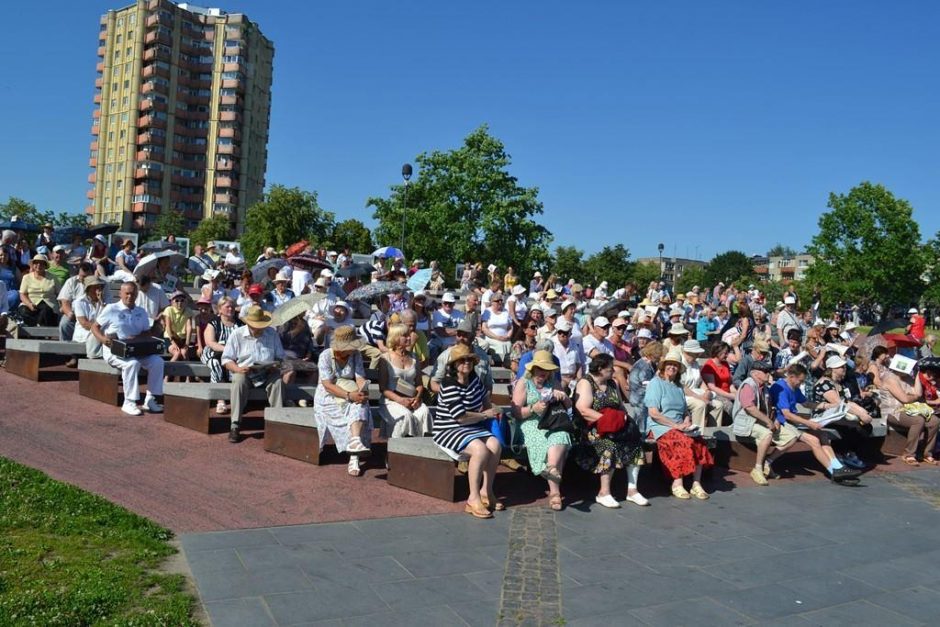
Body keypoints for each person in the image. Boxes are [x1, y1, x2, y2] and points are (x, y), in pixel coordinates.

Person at [433, 343, 504, 519]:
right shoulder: (448, 384)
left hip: (472, 426)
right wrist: (485, 415)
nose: (466, 363)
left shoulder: (475, 380)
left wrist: (495, 410)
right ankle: (473, 498)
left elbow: (486, 403)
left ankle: (487, 491)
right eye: (462, 360)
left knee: (495, 445)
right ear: (454, 364)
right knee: (479, 449)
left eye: (469, 360)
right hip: (448, 428)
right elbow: (460, 417)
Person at [574, 353, 647, 507]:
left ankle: (632, 490)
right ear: (600, 369)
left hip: (613, 425)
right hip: (592, 429)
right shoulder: (586, 383)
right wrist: (608, 421)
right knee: (609, 446)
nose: (613, 371)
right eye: (610, 368)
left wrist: (621, 421)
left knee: (635, 443)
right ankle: (603, 492)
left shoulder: (612, 383)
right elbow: (583, 410)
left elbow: (620, 406)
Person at [767, 363, 861, 482]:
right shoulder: (780, 388)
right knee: (814, 440)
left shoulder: (794, 387)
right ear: (791, 377)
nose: (801, 384)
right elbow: (786, 414)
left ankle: (838, 467)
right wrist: (809, 423)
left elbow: (806, 403)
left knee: (822, 434)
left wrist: (829, 406)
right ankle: (833, 471)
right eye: (800, 381)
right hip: (783, 423)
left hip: (793, 421)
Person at [645, 349, 713, 500]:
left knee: (699, 441)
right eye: (669, 364)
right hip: (659, 426)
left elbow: (685, 410)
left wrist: (687, 420)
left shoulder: (678, 386)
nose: (672, 367)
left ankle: (696, 483)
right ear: (663, 367)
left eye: (675, 365)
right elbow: (653, 413)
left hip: (679, 425)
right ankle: (677, 483)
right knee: (680, 442)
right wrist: (675, 426)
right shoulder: (656, 383)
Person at [91, 282, 164, 416]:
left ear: (137, 294)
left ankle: (150, 399)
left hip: (138, 350)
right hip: (114, 351)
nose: (130, 296)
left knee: (158, 362)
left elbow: (146, 333)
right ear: (120, 294)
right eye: (127, 293)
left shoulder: (141, 311)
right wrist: (103, 340)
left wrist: (145, 334)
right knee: (132, 363)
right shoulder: (111, 309)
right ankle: (129, 402)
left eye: (133, 293)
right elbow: (95, 327)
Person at [511, 350, 572, 510]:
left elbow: (569, 406)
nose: (542, 373)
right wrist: (533, 408)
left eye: (546, 369)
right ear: (533, 369)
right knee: (542, 440)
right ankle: (555, 492)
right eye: (539, 369)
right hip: (530, 422)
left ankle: (550, 468)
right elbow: (516, 413)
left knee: (562, 435)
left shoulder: (553, 381)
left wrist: (563, 397)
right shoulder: (524, 382)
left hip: (552, 421)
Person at [221, 305, 286, 443]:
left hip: (268, 372)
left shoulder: (272, 333)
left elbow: (281, 357)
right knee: (238, 381)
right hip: (245, 373)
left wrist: (275, 365)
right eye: (257, 325)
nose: (260, 328)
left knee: (278, 382)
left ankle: (278, 424)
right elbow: (226, 359)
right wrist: (238, 369)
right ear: (249, 324)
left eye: (261, 325)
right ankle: (235, 425)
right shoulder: (237, 334)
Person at [314, 326, 373, 476]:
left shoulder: (356, 355)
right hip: (327, 396)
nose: (354, 349)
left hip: (348, 390)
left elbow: (360, 377)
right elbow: (327, 385)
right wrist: (348, 395)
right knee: (352, 408)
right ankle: (355, 447)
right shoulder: (325, 356)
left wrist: (362, 390)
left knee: (361, 404)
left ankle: (354, 450)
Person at [732, 359, 796, 485]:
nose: (768, 374)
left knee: (791, 437)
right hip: (745, 423)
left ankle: (768, 462)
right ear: (755, 373)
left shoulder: (765, 387)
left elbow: (772, 407)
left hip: (760, 422)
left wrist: (776, 419)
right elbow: (749, 407)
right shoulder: (748, 385)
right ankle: (757, 469)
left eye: (769, 371)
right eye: (765, 371)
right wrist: (768, 421)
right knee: (767, 435)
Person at [873, 347, 938, 465]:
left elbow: (917, 393)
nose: (910, 370)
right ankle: (909, 453)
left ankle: (925, 452)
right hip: (893, 412)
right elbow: (905, 399)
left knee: (934, 421)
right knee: (918, 420)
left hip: (909, 409)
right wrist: (911, 396)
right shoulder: (890, 378)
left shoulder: (907, 378)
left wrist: (918, 376)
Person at [811, 355, 875, 468]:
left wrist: (864, 412)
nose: (844, 369)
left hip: (838, 415)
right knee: (855, 426)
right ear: (833, 369)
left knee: (865, 426)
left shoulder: (839, 384)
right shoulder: (824, 383)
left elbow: (848, 402)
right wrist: (860, 414)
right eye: (841, 367)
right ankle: (843, 453)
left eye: (844, 367)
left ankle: (846, 452)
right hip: (823, 416)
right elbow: (839, 405)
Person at [377, 323, 431, 438]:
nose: (409, 338)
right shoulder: (385, 358)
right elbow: (383, 388)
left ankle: (423, 449)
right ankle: (399, 450)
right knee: (406, 415)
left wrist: (417, 398)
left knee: (424, 411)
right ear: (396, 338)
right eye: (405, 335)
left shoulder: (414, 357)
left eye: (409, 335)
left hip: (412, 399)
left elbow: (419, 384)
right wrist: (400, 400)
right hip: (391, 401)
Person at [430, 318, 494, 395]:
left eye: (465, 335)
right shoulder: (446, 355)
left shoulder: (482, 355)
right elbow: (433, 383)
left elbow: (488, 385)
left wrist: (485, 402)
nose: (461, 338)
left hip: (477, 400)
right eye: (459, 334)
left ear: (473, 336)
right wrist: (452, 392)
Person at [202, 296, 242, 415]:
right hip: (213, 353)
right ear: (220, 309)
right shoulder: (213, 323)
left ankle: (237, 397)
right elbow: (211, 343)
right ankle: (220, 399)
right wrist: (228, 350)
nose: (231, 309)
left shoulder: (240, 324)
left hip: (234, 354)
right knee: (215, 363)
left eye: (232, 306)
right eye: (227, 306)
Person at [680, 339, 724, 428]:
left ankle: (712, 434)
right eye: (695, 354)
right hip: (684, 395)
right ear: (687, 352)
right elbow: (682, 386)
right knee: (700, 405)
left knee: (718, 405)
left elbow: (700, 381)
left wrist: (707, 391)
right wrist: (700, 397)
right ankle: (698, 434)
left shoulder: (695, 363)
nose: (698, 356)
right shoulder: (680, 363)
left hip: (697, 393)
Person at [57, 262, 93, 347]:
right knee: (64, 323)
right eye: (82, 276)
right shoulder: (71, 282)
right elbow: (65, 301)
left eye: (87, 277)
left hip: (92, 313)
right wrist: (69, 313)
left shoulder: (100, 284)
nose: (84, 279)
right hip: (74, 313)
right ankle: (66, 351)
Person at [18, 254, 59, 326]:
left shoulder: (53, 277)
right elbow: (22, 294)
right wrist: (29, 304)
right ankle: (37, 324)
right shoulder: (26, 277)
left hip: (48, 305)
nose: (39, 265)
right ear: (33, 265)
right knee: (23, 311)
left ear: (45, 265)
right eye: (36, 263)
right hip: (31, 304)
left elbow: (59, 293)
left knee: (46, 311)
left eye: (41, 263)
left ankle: (39, 326)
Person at [72, 275, 107, 359]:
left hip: (100, 330)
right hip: (85, 333)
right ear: (88, 289)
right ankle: (95, 356)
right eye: (95, 287)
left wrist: (102, 304)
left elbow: (108, 318)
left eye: (99, 287)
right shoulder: (79, 302)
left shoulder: (104, 301)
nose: (98, 290)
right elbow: (84, 323)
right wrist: (99, 329)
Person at [701, 342, 736, 419]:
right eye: (725, 353)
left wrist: (734, 392)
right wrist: (729, 395)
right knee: (730, 406)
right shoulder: (709, 366)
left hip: (728, 392)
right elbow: (712, 387)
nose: (727, 355)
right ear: (718, 352)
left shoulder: (725, 364)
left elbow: (729, 382)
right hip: (716, 394)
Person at [163, 290, 194, 369]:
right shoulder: (168, 310)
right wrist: (173, 342)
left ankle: (188, 377)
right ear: (172, 302)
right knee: (177, 353)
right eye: (176, 300)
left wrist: (187, 344)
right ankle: (166, 375)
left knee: (184, 353)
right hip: (170, 337)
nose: (179, 303)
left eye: (182, 300)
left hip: (182, 338)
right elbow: (168, 327)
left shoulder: (188, 310)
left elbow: (189, 327)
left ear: (185, 302)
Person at [481, 292, 513, 365]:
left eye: (501, 300)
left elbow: (510, 327)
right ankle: (499, 363)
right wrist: (497, 337)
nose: (500, 302)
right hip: (491, 337)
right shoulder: (487, 311)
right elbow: (484, 328)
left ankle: (507, 363)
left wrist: (508, 336)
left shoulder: (506, 312)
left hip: (505, 338)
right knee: (500, 345)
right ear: (492, 302)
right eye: (497, 301)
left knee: (508, 344)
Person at [552, 318, 585, 389]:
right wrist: (567, 380)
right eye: (560, 332)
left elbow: (578, 365)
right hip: (558, 378)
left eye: (565, 333)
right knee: (562, 385)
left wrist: (578, 379)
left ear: (570, 334)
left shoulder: (574, 345)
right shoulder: (552, 344)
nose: (562, 335)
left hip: (573, 378)